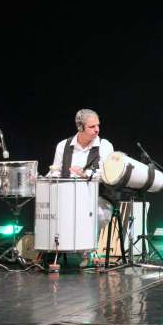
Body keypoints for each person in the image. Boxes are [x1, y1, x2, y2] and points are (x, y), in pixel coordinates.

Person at [49, 108, 115, 266]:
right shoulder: (63, 146)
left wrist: (87, 175)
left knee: (96, 214)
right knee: (51, 211)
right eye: (92, 126)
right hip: (68, 198)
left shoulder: (104, 145)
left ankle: (86, 251)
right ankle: (52, 251)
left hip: (98, 197)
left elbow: (108, 173)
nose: (97, 130)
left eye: (98, 125)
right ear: (80, 127)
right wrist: (42, 178)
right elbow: (55, 171)